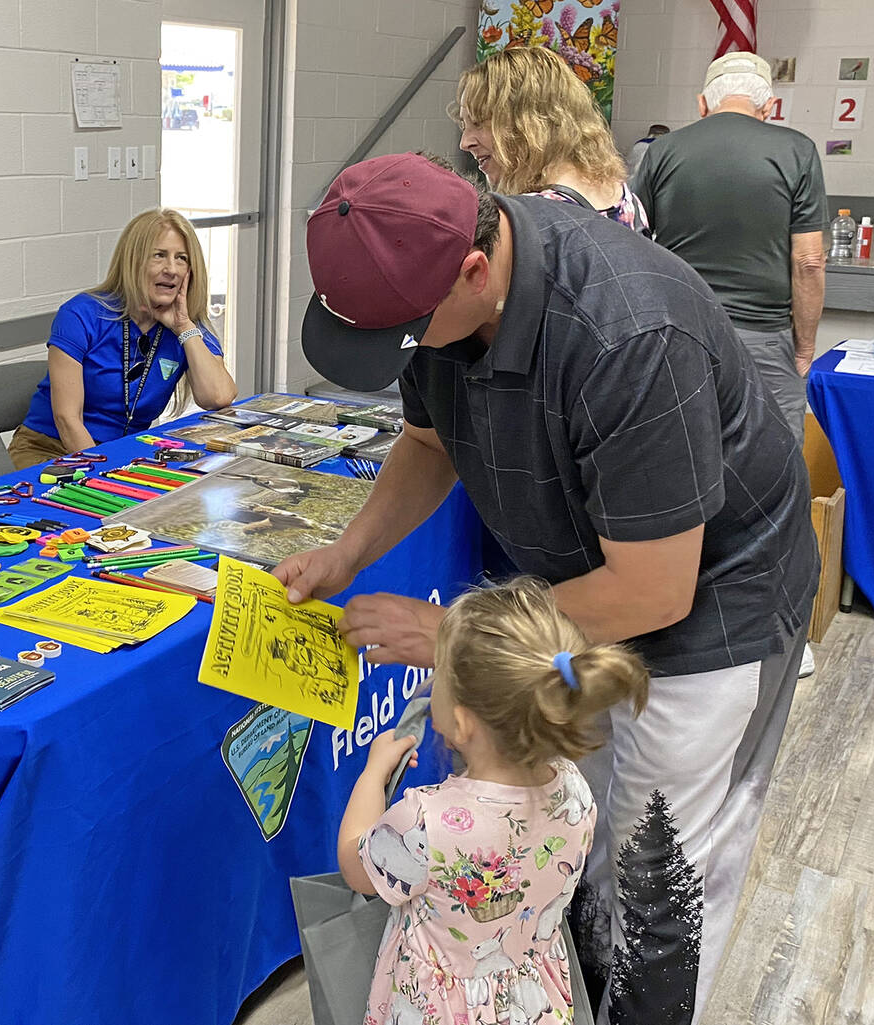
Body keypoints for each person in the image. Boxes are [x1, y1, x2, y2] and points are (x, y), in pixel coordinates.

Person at [277, 152, 818, 1023]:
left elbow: (654, 590)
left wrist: (454, 634)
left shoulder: (628, 332)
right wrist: (347, 553)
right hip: (581, 590)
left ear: (474, 271)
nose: (406, 352)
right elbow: (427, 441)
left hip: (714, 603)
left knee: (655, 874)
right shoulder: (437, 294)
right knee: (575, 838)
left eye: (406, 334)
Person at [337, 578, 649, 1025]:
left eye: (438, 673)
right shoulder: (575, 790)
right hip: (530, 1002)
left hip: (439, 1010)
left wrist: (372, 775)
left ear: (463, 723)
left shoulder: (427, 820)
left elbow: (357, 870)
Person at [631, 52, 827, 447]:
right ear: (769, 107)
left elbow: (630, 241)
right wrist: (804, 348)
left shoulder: (661, 151)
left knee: (683, 453)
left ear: (702, 103)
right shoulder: (798, 150)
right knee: (772, 460)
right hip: (764, 337)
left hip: (681, 333)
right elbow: (809, 261)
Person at [8, 208, 237, 469]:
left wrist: (184, 327)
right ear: (133, 261)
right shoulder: (81, 314)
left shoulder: (187, 326)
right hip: (51, 447)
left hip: (126, 452)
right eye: (159, 255)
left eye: (181, 258)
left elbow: (218, 397)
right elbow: (67, 420)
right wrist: (104, 473)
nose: (171, 269)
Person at [454, 46, 648, 235]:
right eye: (464, 126)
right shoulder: (626, 201)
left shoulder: (527, 223)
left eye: (478, 123)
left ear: (530, 123)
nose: (465, 143)